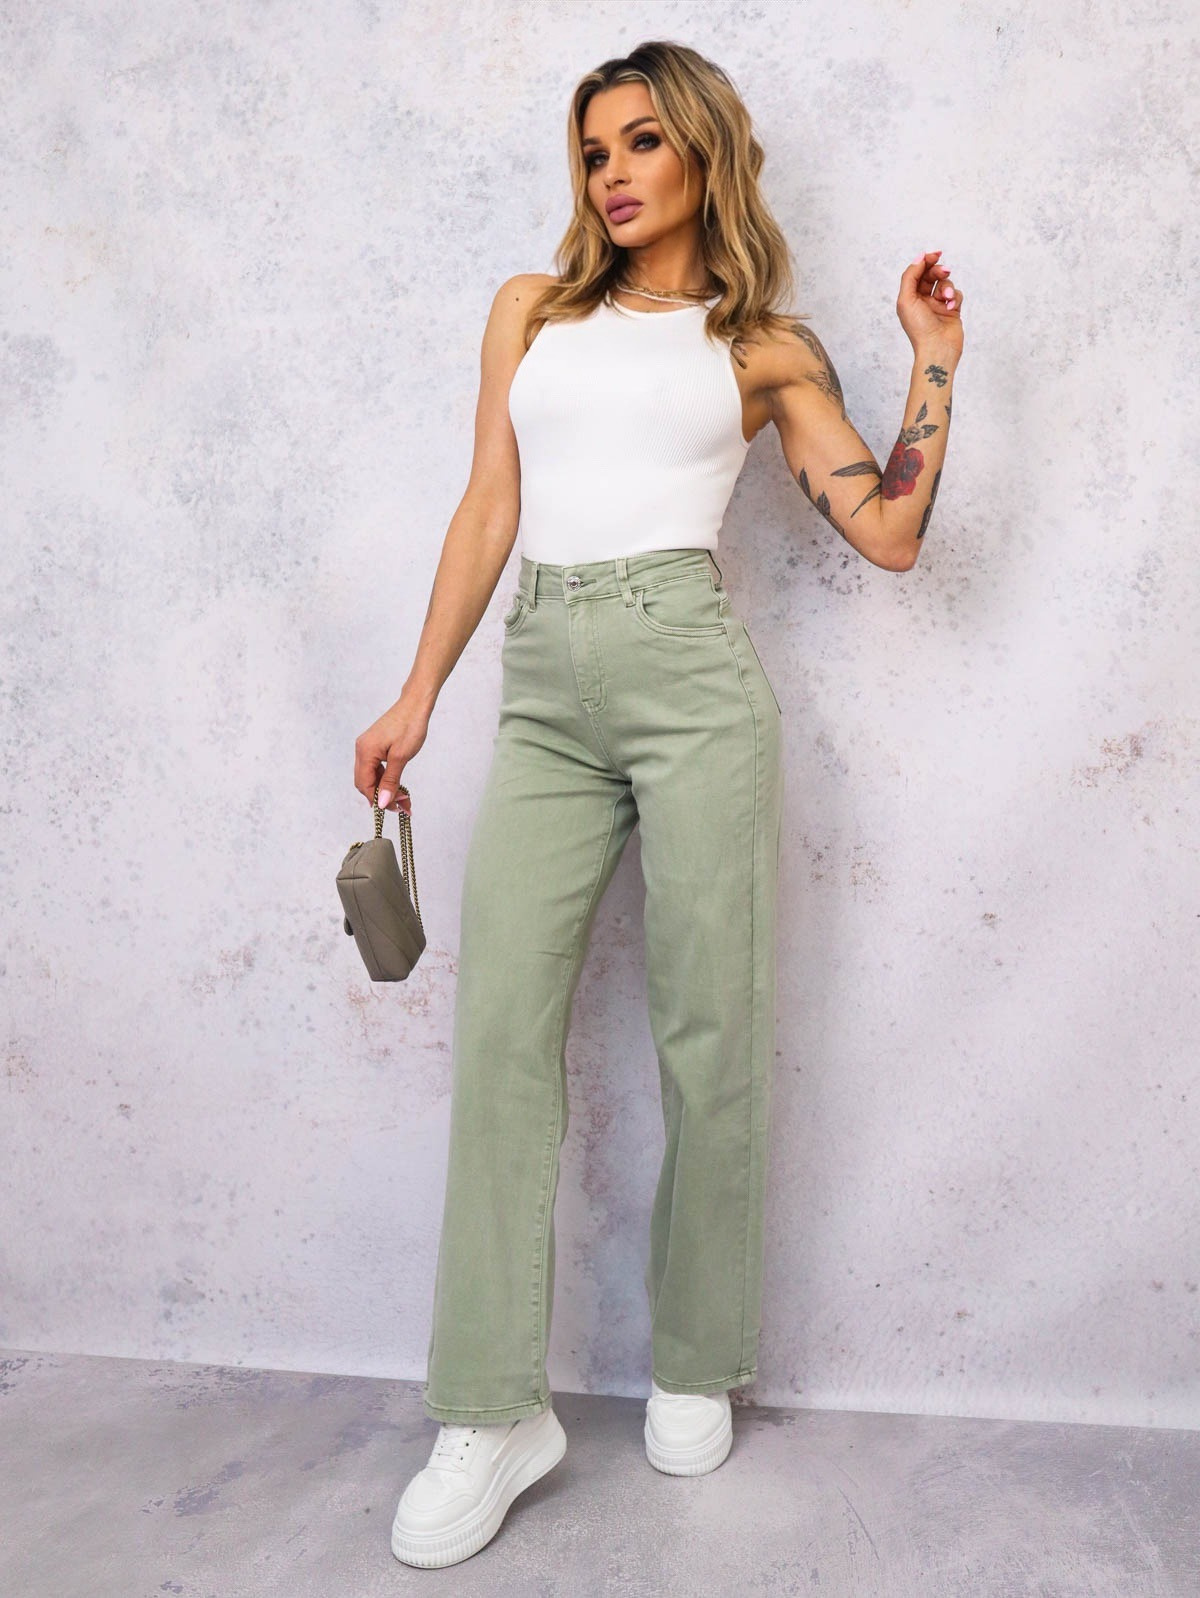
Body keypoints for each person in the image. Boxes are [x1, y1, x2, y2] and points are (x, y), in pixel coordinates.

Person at [354, 39, 964, 1570]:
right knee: (501, 1030)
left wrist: (933, 358)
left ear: (701, 152)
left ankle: (695, 1357)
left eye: (639, 142)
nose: (612, 173)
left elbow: (890, 533)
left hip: (694, 683)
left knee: (710, 1029)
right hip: (544, 686)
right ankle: (492, 1409)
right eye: (592, 152)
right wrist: (419, 692)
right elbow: (489, 504)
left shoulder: (762, 345)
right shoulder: (531, 311)